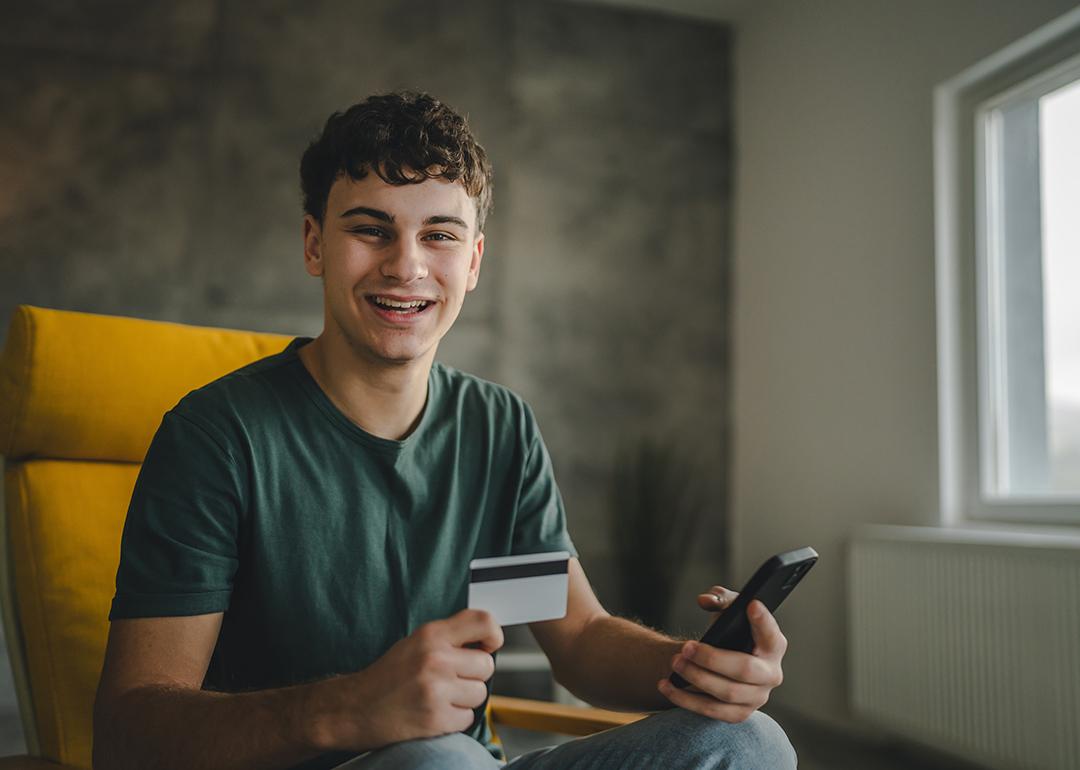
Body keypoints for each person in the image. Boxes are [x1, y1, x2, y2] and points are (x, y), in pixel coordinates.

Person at [92, 91, 797, 770]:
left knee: (751, 744)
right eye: (370, 230)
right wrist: (344, 710)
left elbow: (576, 639)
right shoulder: (218, 434)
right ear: (314, 245)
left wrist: (698, 665)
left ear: (474, 262)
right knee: (442, 758)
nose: (406, 265)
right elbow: (129, 737)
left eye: (439, 235)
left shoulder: (497, 428)